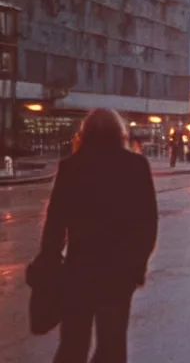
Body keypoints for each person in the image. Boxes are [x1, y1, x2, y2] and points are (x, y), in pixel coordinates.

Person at [37, 108, 159, 363]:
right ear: (120, 134)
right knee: (112, 343)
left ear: (85, 134)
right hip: (119, 271)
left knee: (73, 343)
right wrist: (137, 265)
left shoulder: (71, 167)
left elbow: (55, 222)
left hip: (79, 268)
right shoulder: (135, 165)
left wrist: (49, 261)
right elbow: (147, 223)